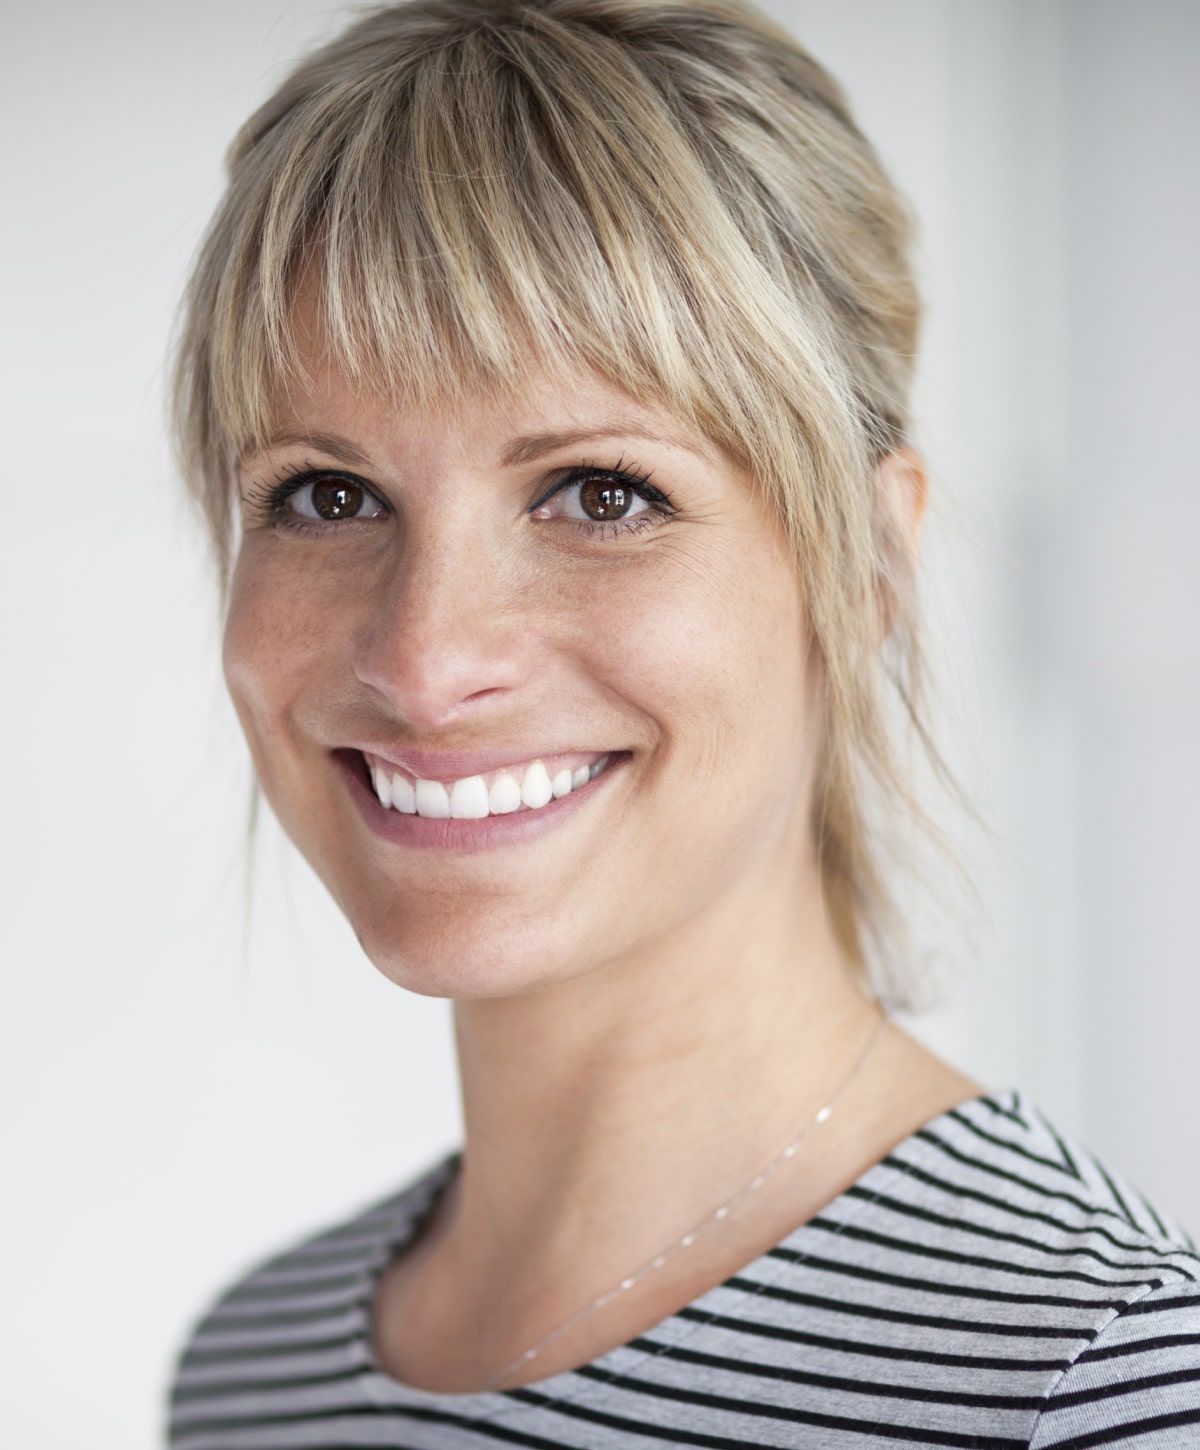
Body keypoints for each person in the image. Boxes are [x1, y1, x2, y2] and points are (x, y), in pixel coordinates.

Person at [163, 0, 1200, 1444]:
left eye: (600, 491)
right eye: (327, 494)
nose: (423, 655)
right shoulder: (253, 1371)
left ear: (870, 564)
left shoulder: (1098, 1378)